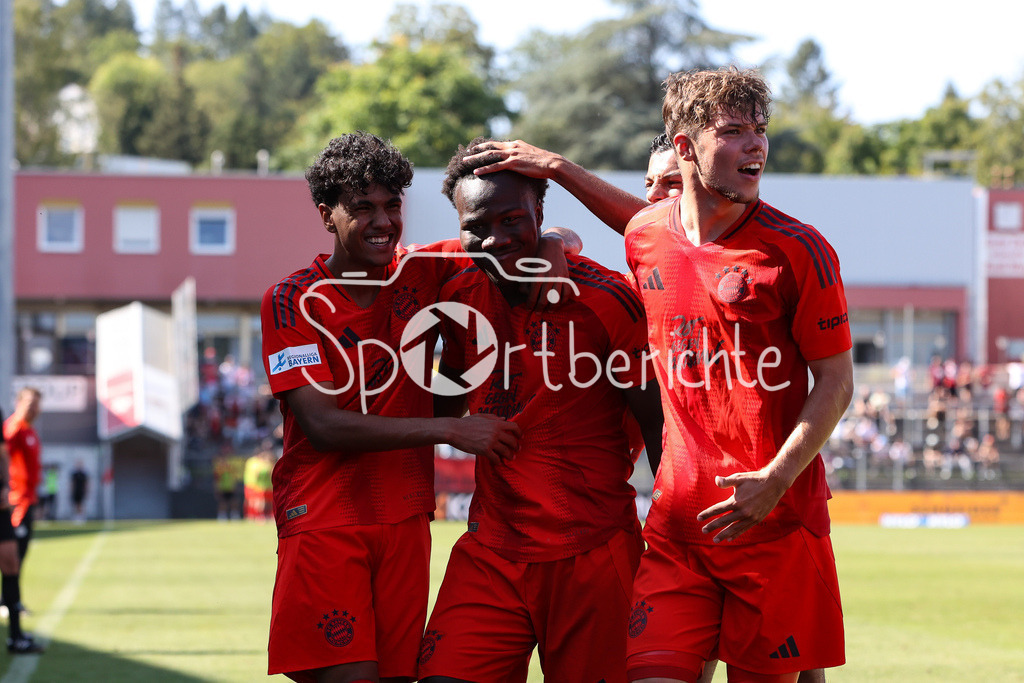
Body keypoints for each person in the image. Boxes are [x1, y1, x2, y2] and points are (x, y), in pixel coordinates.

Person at [259, 131, 578, 683]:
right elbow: (322, 426)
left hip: (406, 523)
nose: (383, 221)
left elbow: (512, 236)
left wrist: (552, 244)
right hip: (324, 521)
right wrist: (453, 428)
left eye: (391, 205)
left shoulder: (421, 271)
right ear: (325, 216)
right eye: (362, 208)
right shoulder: (291, 299)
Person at [616, 67, 854, 683]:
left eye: (760, 130)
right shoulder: (643, 236)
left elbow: (836, 381)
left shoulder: (800, 250)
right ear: (684, 147)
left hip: (773, 526)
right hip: (676, 528)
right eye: (733, 131)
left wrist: (776, 479)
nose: (757, 145)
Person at [417, 139, 664, 683]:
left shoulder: (607, 301)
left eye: (513, 220)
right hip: (492, 548)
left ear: (540, 214)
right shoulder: (454, 285)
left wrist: (673, 553)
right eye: (476, 226)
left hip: (593, 551)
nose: (495, 239)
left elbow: (658, 428)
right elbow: (452, 390)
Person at [0, 404, 43, 654]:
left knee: (11, 562)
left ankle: (15, 637)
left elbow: (3, 454)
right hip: (18, 502)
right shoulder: (15, 427)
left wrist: (6, 486)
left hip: (5, 503)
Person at [4, 388, 43, 579]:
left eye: (37, 405)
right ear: (18, 403)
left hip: (28, 498)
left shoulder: (29, 430)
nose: (34, 409)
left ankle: (11, 600)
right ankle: (8, 601)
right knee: (13, 551)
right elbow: (3, 459)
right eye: (30, 404)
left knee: (21, 551)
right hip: (15, 499)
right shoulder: (13, 429)